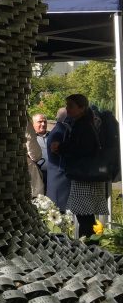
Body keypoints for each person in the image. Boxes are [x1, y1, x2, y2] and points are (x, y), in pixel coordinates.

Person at [50, 94, 107, 237]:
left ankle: (88, 244)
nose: (67, 109)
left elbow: (80, 149)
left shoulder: (83, 126)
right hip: (85, 176)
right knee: (86, 217)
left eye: (71, 106)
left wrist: (60, 147)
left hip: (84, 177)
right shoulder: (84, 124)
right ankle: (89, 243)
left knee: (85, 217)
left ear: (81, 108)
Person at [45, 107, 71, 213]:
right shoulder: (60, 132)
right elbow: (56, 150)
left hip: (58, 176)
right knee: (58, 211)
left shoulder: (60, 130)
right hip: (60, 177)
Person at [25, 120, 45, 197]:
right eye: (39, 122)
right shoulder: (24, 121)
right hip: (23, 170)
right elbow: (35, 154)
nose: (43, 124)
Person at [31, 113, 48, 191]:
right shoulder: (31, 139)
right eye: (40, 122)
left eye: (45, 122)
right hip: (37, 176)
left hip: (53, 175)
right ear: (33, 124)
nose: (43, 124)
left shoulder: (53, 136)